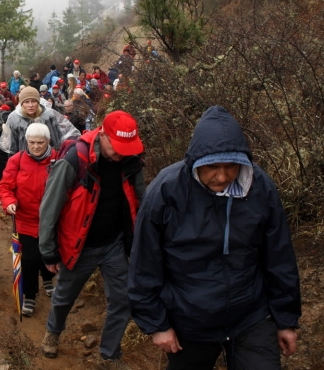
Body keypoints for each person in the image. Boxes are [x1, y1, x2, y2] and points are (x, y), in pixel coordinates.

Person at [128, 106, 301, 370]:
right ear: (196, 161)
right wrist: (157, 324)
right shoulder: (166, 191)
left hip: (251, 315)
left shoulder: (259, 187)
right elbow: (144, 263)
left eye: (231, 166)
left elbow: (279, 256)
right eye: (212, 167)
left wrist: (285, 319)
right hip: (190, 319)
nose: (222, 176)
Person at [39, 111, 146, 369]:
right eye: (117, 147)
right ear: (103, 135)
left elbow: (142, 201)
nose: (122, 153)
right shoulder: (76, 159)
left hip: (114, 243)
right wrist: (48, 251)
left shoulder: (130, 162)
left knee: (123, 300)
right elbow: (50, 207)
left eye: (127, 148)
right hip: (80, 245)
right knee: (64, 296)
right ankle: (53, 332)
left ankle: (109, 355)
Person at [0, 123, 58, 317]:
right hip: (25, 219)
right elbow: (5, 187)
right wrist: (9, 202)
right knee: (30, 258)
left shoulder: (58, 159)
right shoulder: (17, 161)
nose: (36, 146)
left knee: (49, 253)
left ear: (48, 141)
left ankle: (48, 278)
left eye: (40, 142)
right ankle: (30, 294)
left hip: (52, 220)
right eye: (31, 142)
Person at [1, 87, 76, 156]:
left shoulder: (48, 116)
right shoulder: (14, 119)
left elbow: (56, 139)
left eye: (33, 101)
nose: (30, 105)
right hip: (24, 160)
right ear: (22, 104)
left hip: (48, 159)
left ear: (38, 102)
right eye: (27, 102)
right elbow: (12, 146)